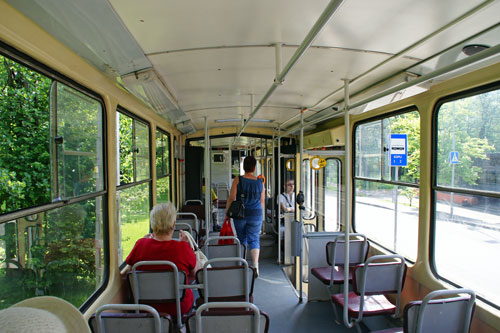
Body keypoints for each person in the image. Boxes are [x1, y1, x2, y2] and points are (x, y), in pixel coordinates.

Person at [126, 202, 196, 317]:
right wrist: (186, 246)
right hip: (178, 307)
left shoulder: (140, 245)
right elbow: (194, 274)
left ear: (152, 224)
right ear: (174, 225)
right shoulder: (183, 248)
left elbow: (130, 272)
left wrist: (144, 242)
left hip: (145, 307)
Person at [226, 156, 265, 276]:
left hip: (240, 214)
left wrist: (227, 213)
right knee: (254, 239)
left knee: (242, 238)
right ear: (254, 167)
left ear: (243, 167)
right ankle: (255, 266)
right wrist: (260, 216)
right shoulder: (260, 181)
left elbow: (232, 198)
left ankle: (241, 264)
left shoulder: (238, 180)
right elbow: (262, 201)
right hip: (256, 214)